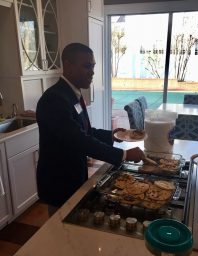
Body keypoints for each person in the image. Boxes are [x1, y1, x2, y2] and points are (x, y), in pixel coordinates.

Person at [36, 42, 145, 214]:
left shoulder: (72, 94)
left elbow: (84, 131)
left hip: (73, 174)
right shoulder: (55, 100)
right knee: (60, 230)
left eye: (93, 66)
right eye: (87, 66)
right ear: (68, 66)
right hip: (58, 180)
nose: (92, 72)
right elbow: (78, 140)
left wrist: (111, 135)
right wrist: (123, 155)